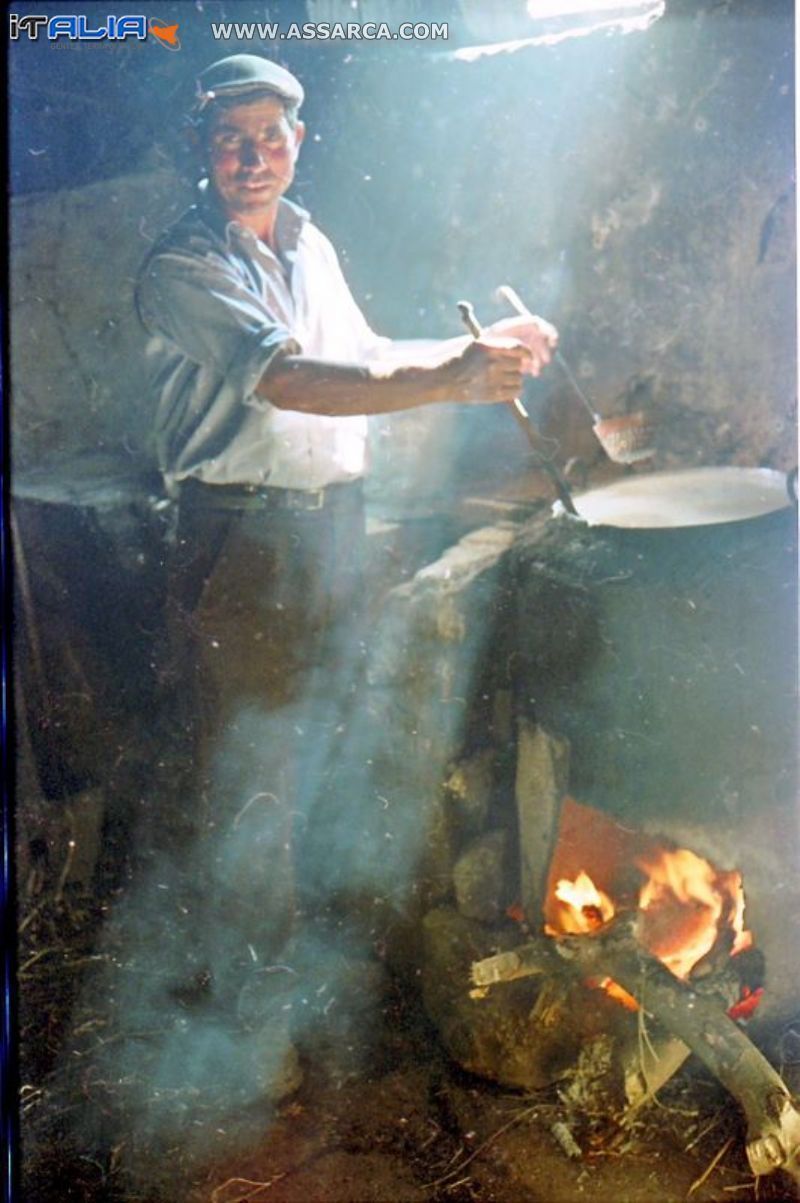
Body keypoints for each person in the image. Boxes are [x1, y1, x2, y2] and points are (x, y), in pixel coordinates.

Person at [135, 54, 558, 1035]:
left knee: (320, 747)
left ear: (298, 139)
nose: (252, 157)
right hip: (237, 537)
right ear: (202, 149)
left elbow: (362, 360)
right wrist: (453, 380)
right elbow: (289, 379)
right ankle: (247, 1022)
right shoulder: (183, 266)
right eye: (229, 138)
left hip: (326, 524)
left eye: (269, 135)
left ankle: (301, 979)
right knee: (251, 778)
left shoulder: (306, 243)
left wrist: (479, 352)